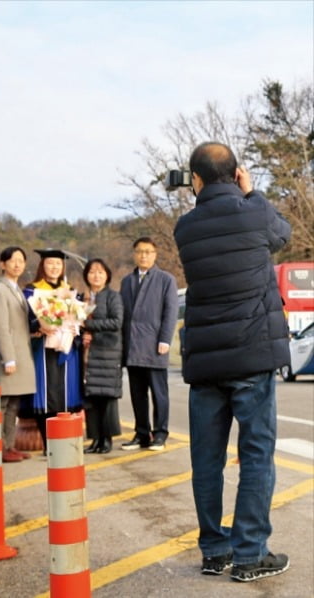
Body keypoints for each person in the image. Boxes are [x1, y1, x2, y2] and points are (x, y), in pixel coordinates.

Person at [174, 142, 291, 581]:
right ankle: (249, 554)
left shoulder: (185, 228)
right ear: (236, 173)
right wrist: (253, 193)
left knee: (207, 459)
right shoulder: (254, 211)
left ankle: (214, 550)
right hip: (253, 354)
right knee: (256, 455)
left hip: (207, 362)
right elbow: (281, 234)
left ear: (196, 180)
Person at [22, 249, 83, 453]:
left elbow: (79, 318)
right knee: (45, 391)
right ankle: (49, 444)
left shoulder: (71, 290)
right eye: (50, 263)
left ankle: (64, 442)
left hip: (66, 348)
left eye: (58, 264)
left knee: (66, 391)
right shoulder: (31, 291)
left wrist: (76, 327)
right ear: (42, 266)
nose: (54, 267)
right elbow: (26, 318)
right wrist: (38, 326)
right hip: (42, 347)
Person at [120, 237, 178, 451]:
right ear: (134, 254)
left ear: (155, 254)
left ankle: (160, 433)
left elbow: (170, 312)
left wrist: (165, 339)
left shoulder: (166, 279)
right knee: (137, 393)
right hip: (132, 345)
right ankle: (141, 433)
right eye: (139, 251)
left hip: (154, 344)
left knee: (158, 392)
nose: (143, 255)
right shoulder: (127, 281)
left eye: (148, 251)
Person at [0, 247, 36, 463]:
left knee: (13, 404)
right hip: (8, 356)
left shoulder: (16, 290)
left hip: (21, 353)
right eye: (12, 260)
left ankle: (9, 445)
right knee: (2, 404)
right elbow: (0, 327)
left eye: (21, 261)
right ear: (2, 264)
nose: (17, 265)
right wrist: (8, 357)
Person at [80, 258, 124, 454]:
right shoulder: (82, 298)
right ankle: (95, 439)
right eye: (91, 272)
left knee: (107, 398)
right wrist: (82, 335)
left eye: (100, 272)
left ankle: (106, 440)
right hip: (89, 355)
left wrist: (89, 326)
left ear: (107, 275)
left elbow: (116, 322)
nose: (95, 275)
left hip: (108, 353)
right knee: (91, 398)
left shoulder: (113, 297)